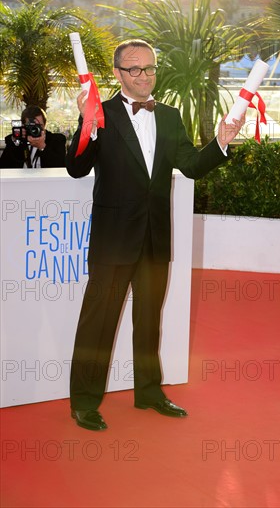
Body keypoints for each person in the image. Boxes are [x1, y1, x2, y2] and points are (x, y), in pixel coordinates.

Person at [66, 39, 245, 431]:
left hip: (154, 238)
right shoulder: (100, 113)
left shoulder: (169, 115)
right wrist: (85, 123)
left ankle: (149, 392)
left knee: (149, 322)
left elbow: (193, 166)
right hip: (113, 240)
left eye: (149, 68)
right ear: (117, 74)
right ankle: (83, 401)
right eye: (134, 69)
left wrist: (221, 142)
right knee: (98, 323)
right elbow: (76, 169)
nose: (144, 76)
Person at [0, 105, 66, 168]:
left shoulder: (57, 140)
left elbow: (61, 166)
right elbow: (3, 166)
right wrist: (15, 141)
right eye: (30, 126)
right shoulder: (18, 141)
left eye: (38, 126)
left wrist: (42, 146)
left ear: (45, 124)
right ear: (23, 125)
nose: (34, 129)